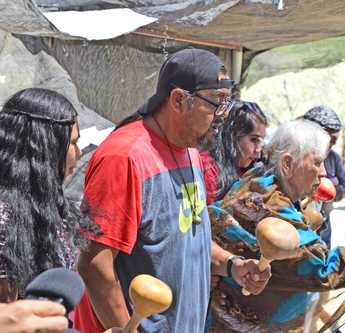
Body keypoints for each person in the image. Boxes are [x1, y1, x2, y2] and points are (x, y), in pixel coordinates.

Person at [73, 49, 270, 333]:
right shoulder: (125, 157)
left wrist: (232, 265)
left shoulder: (189, 150)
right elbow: (95, 265)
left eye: (226, 105)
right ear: (179, 99)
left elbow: (185, 239)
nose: (222, 117)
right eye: (216, 103)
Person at [208, 119, 345, 332]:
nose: (323, 173)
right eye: (316, 162)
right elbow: (323, 269)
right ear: (287, 164)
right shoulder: (272, 207)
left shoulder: (258, 181)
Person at [0, 88, 93, 303]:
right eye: (73, 143)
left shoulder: (45, 207)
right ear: (44, 147)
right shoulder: (5, 220)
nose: (79, 154)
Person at [302, 105, 345, 247]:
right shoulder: (293, 157)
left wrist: (327, 190)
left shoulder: (333, 158)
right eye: (329, 139)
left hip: (323, 226)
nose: (331, 144)